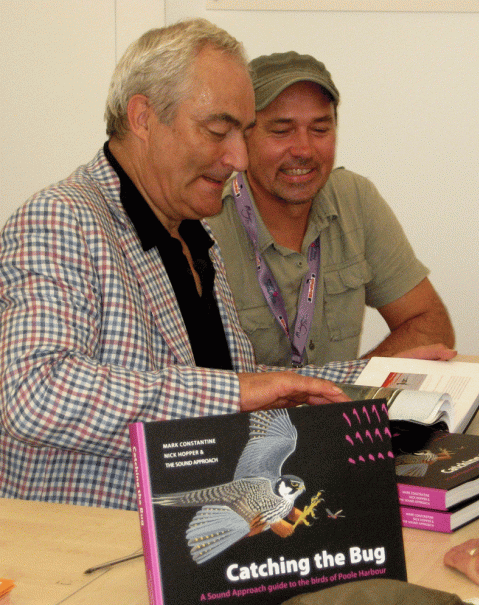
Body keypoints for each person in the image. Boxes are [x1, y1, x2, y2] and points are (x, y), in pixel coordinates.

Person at [0, 20, 376, 511]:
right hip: (93, 541)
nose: (239, 158)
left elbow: (231, 381)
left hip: (199, 530)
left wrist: (383, 377)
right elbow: (33, 395)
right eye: (218, 131)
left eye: (243, 133)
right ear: (143, 118)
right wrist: (236, 393)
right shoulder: (61, 218)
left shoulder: (193, 234)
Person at [209, 51, 455, 368]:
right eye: (281, 131)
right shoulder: (204, 223)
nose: (304, 149)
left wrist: (351, 385)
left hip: (340, 401)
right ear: (243, 138)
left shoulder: (355, 198)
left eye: (320, 129)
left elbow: (430, 323)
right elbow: (189, 378)